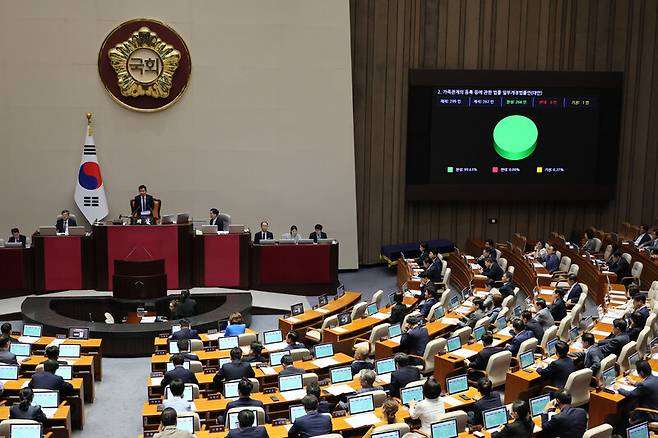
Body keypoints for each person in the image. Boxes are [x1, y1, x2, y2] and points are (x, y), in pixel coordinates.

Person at [618, 360, 658, 424]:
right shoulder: (656, 378)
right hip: (655, 407)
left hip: (651, 414)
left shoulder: (645, 385)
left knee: (624, 411)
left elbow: (630, 394)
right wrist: (634, 383)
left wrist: (619, 388)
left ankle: (625, 428)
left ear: (641, 372)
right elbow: (647, 386)